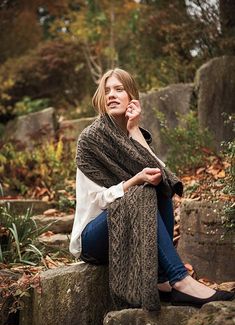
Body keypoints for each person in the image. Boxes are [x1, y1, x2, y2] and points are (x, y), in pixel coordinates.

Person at [69, 68, 234, 308]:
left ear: (131, 97)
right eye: (106, 91)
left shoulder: (134, 134)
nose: (111, 95)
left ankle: (161, 280)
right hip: (93, 239)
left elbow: (162, 174)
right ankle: (180, 279)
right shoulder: (89, 140)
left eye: (119, 89)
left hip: (126, 227)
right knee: (142, 191)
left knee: (158, 185)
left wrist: (134, 130)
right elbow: (97, 200)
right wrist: (133, 181)